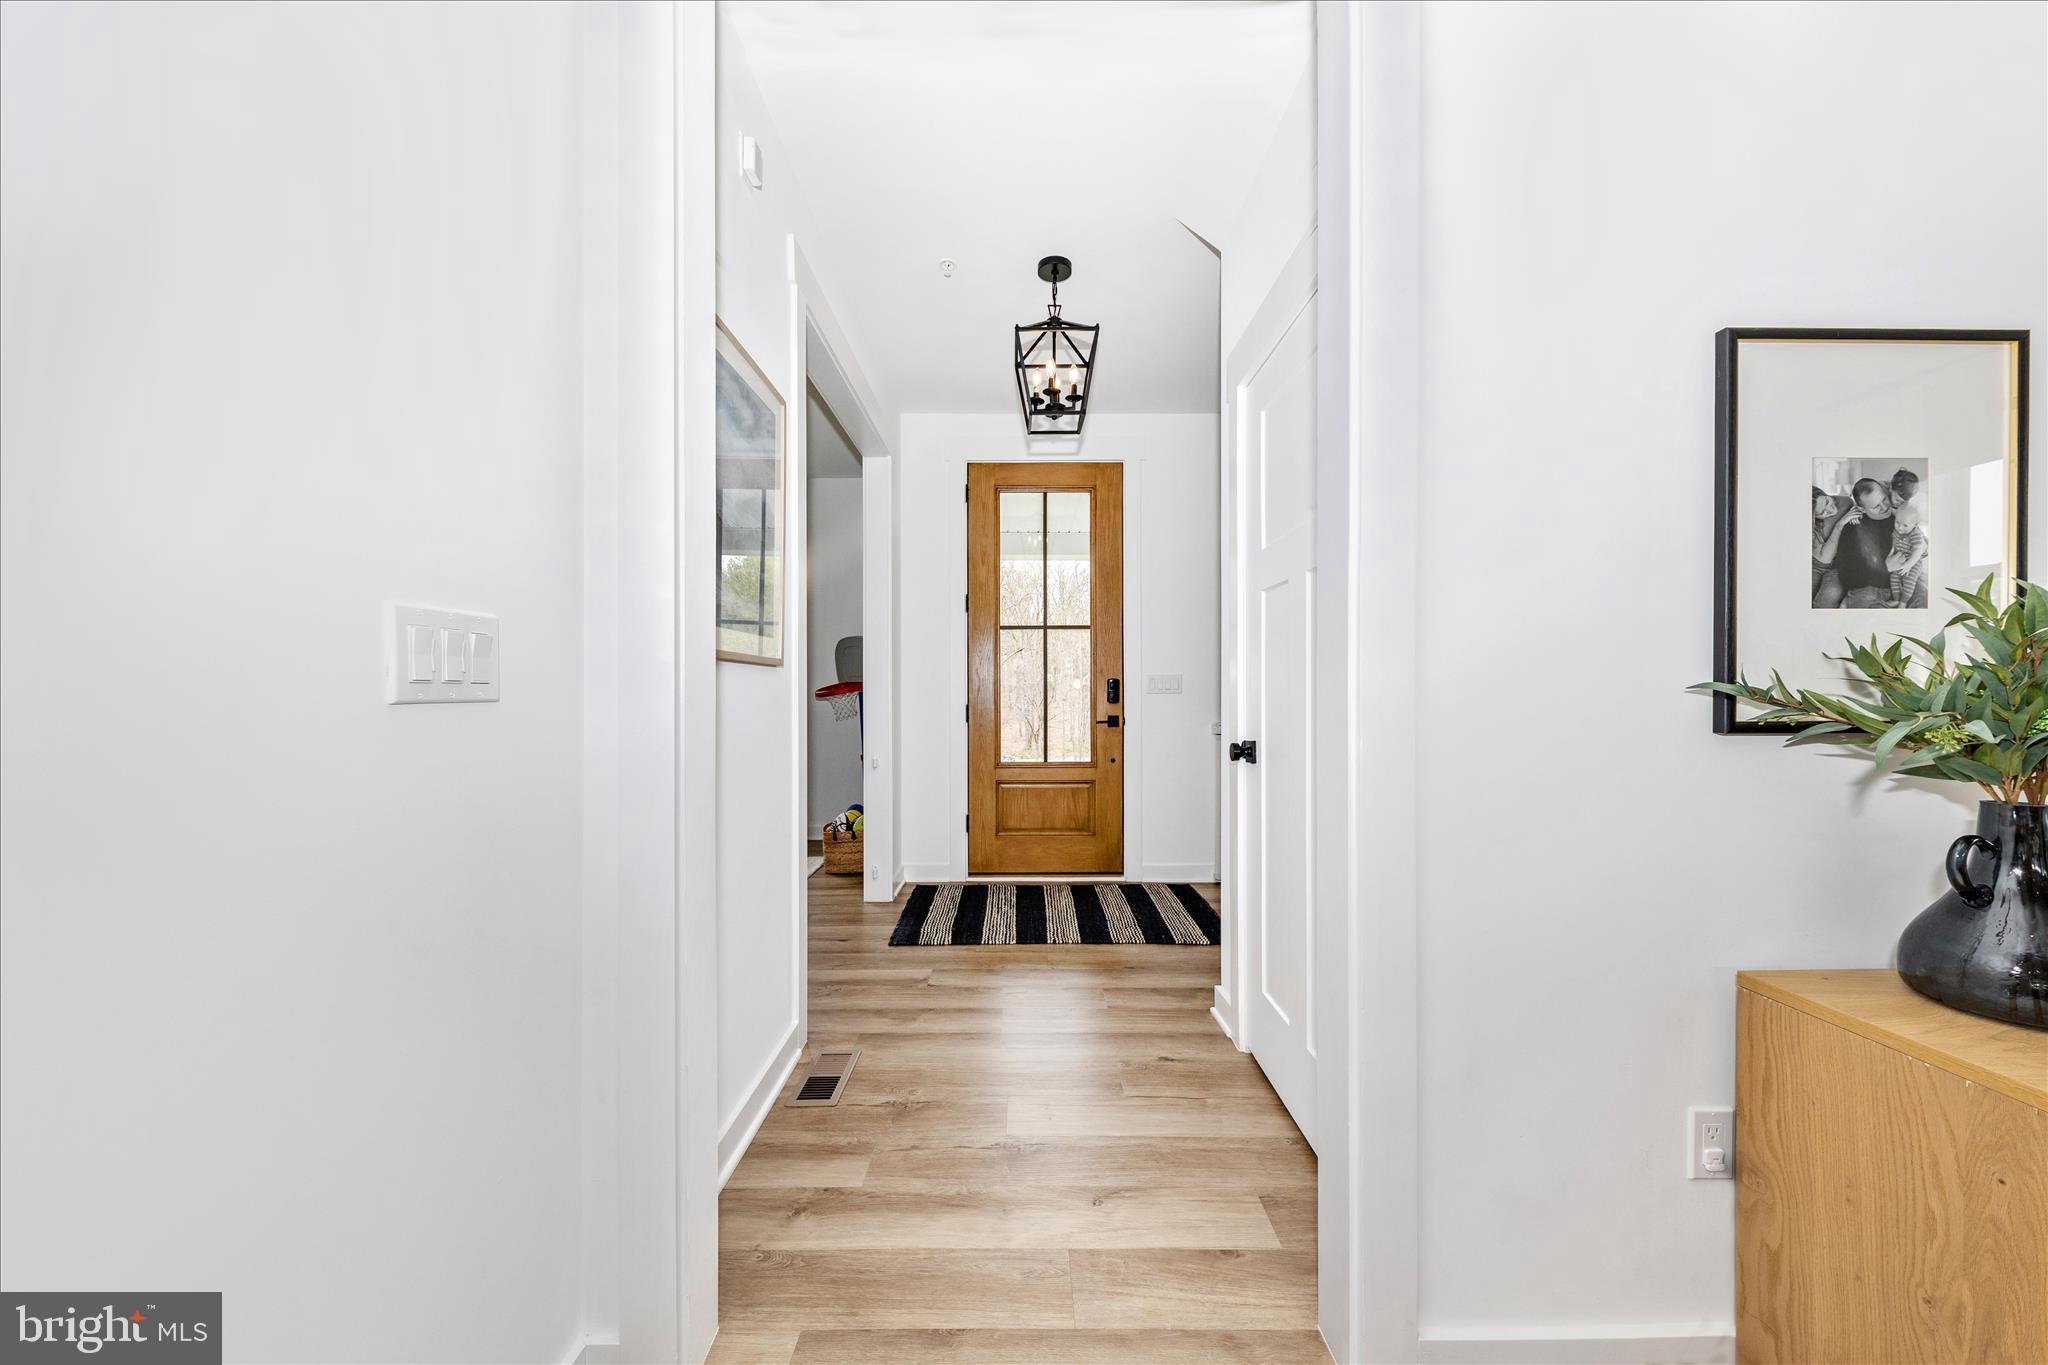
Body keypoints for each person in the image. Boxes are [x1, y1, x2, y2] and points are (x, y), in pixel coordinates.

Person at [1831, 478, 1898, 608]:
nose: (1885, 508)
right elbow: (1847, 575)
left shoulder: (1899, 517)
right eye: (1876, 507)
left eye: (1884, 499)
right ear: (1861, 509)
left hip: (1901, 585)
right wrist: (1885, 568)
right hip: (1867, 590)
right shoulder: (1853, 527)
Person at [1886, 469, 1928, 608]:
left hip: (1911, 559)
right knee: (1895, 578)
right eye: (1898, 500)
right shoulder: (1884, 503)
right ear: (1890, 488)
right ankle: (1897, 599)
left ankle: (1903, 602)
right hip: (1897, 559)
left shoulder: (1905, 512)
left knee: (1921, 592)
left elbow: (1919, 542)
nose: (1900, 504)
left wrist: (1923, 547)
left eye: (1905, 501)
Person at [1811, 486, 1854, 607]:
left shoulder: (1845, 502)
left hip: (1840, 562)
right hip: (1818, 564)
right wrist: (1839, 525)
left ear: (1826, 494)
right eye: (1822, 513)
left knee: (1829, 594)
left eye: (1827, 502)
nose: (1830, 510)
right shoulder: (1812, 527)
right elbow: (1825, 559)